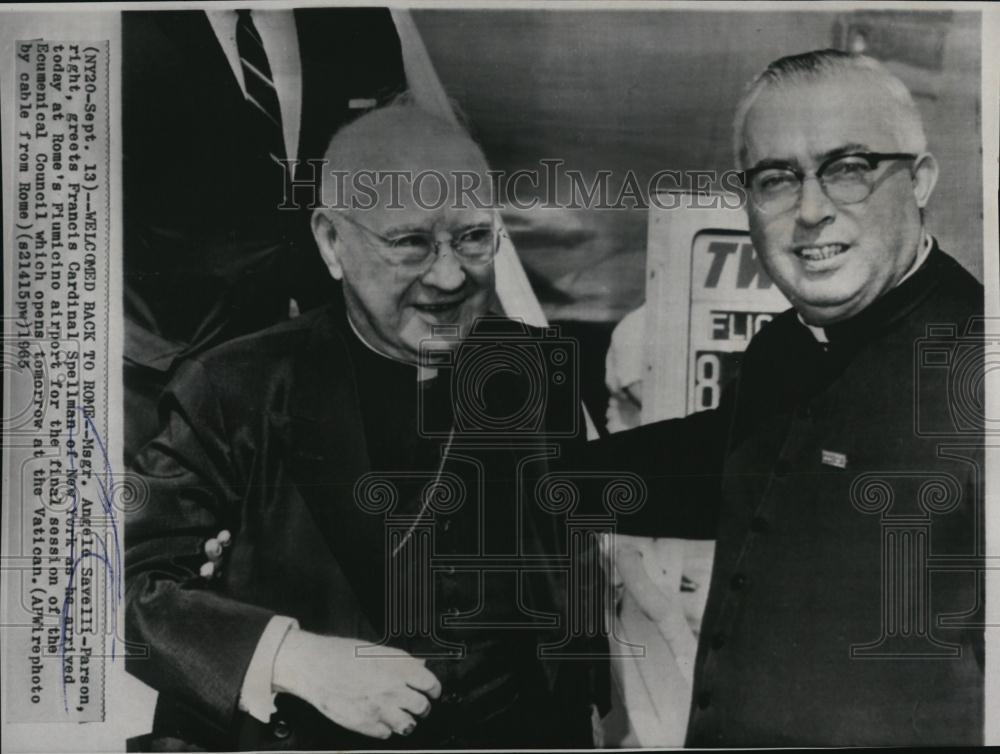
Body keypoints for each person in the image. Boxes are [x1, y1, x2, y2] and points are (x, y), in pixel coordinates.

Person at [125, 98, 607, 751]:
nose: (449, 276)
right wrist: (295, 660)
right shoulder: (229, 388)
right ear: (331, 241)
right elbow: (123, 592)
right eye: (410, 243)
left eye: (472, 237)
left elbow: (568, 579)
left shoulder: (538, 368)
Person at [589, 49, 985, 746]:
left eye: (849, 169)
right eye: (776, 178)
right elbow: (730, 464)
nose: (809, 211)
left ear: (921, 179)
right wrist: (528, 474)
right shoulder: (784, 344)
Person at [122, 8, 406, 461]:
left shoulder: (358, 20)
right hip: (164, 378)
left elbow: (391, 173)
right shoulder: (121, 29)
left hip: (326, 379)